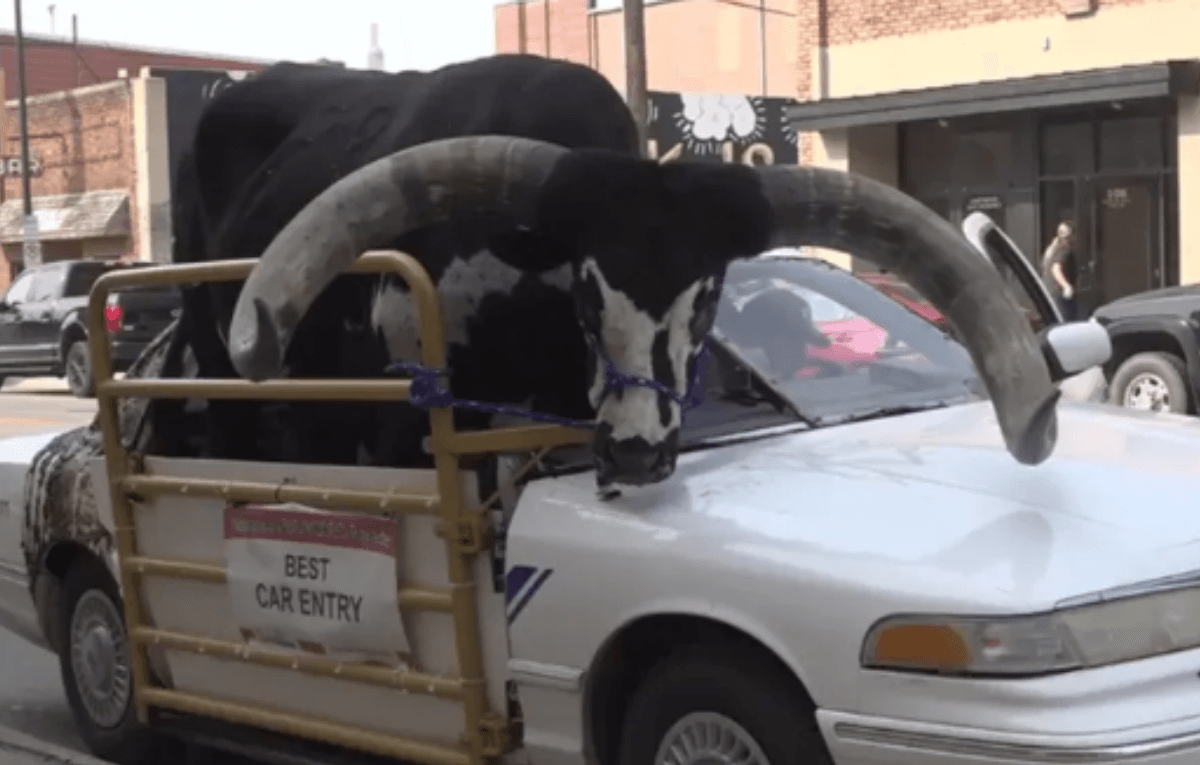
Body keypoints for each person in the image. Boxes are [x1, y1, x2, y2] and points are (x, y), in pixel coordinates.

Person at [1041, 221, 1078, 321]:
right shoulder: (1064, 248)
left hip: (1049, 291)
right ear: (1071, 234)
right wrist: (1066, 286)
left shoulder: (1053, 247)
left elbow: (1045, 263)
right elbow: (1056, 268)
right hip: (1059, 294)